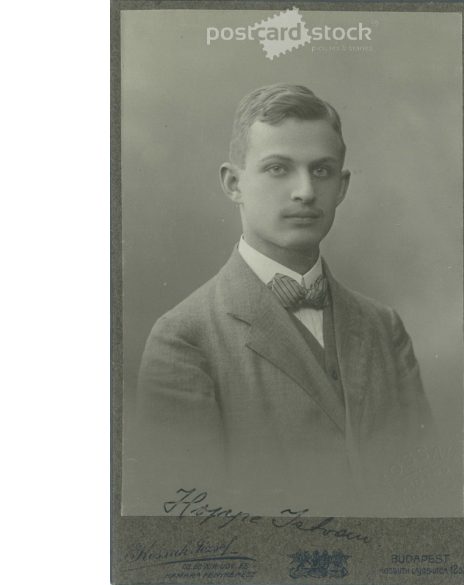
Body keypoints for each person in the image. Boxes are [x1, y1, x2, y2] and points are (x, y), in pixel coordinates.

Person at [127, 83, 432, 516]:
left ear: (342, 187)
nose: (305, 191)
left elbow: (425, 491)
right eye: (278, 169)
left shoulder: (385, 327)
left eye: (322, 171)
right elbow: (187, 529)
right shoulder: (184, 338)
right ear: (234, 184)